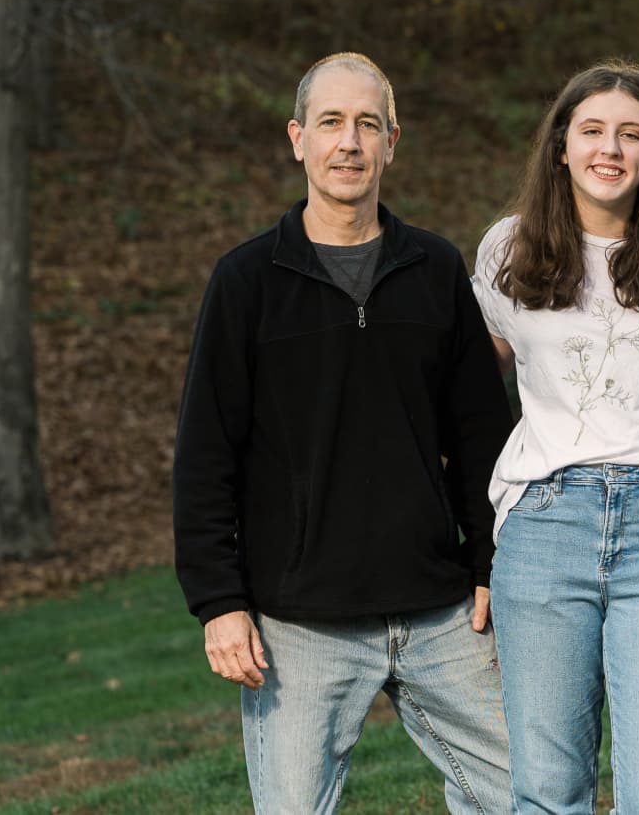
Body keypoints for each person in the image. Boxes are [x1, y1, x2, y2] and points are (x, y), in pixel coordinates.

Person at [172, 52, 514, 815]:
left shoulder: (434, 270)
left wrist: (491, 563)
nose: (349, 142)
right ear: (298, 139)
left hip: (439, 611)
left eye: (367, 124)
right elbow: (204, 456)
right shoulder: (246, 281)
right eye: (331, 123)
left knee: (534, 794)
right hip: (300, 625)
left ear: (394, 141)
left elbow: (485, 435)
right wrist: (218, 600)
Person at [470, 62, 639, 814]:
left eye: (630, 134)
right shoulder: (506, 251)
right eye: (592, 131)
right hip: (543, 526)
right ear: (561, 146)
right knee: (548, 792)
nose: (609, 148)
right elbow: (474, 394)